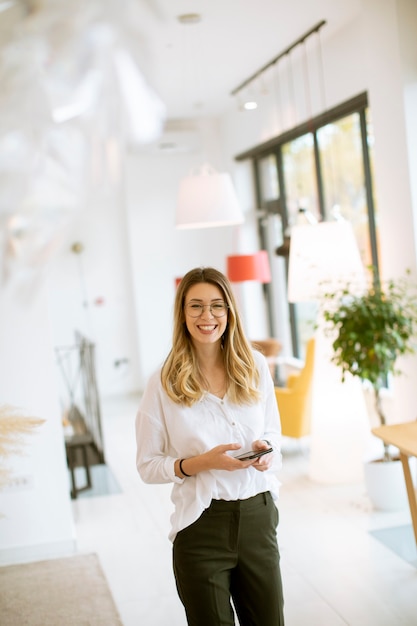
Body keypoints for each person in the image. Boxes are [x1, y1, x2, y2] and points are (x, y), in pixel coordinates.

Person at [135, 266, 284, 626]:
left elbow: (275, 437)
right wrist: (199, 463)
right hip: (200, 527)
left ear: (229, 311)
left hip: (257, 517)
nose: (208, 316)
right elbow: (147, 465)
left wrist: (265, 452)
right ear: (182, 313)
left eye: (217, 306)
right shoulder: (162, 382)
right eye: (196, 306)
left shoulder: (255, 365)